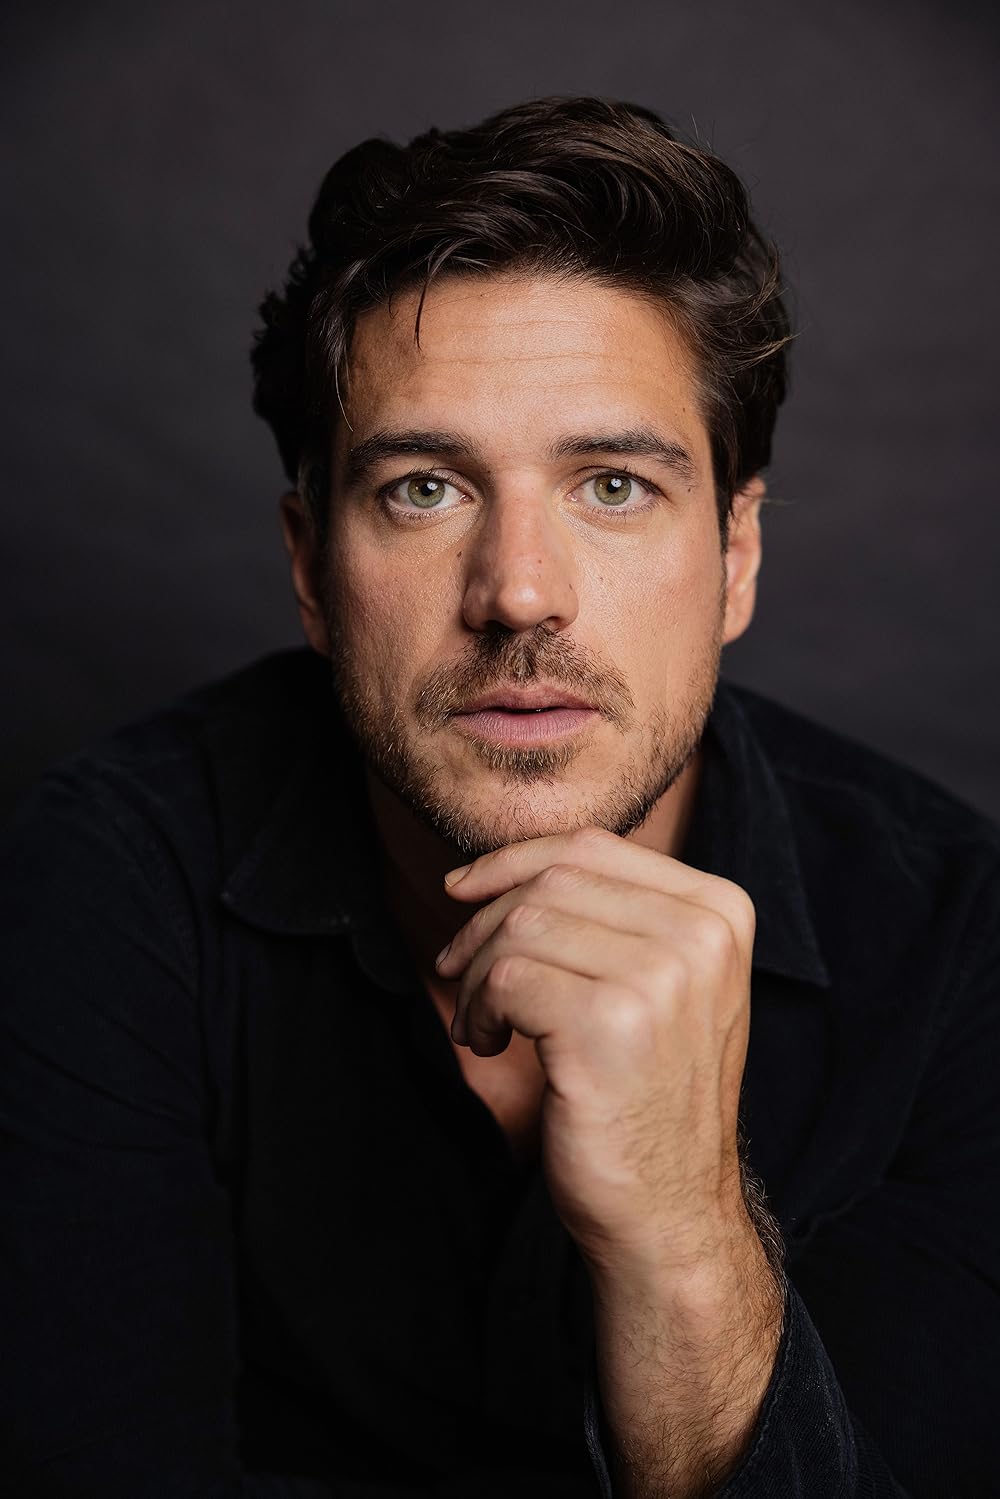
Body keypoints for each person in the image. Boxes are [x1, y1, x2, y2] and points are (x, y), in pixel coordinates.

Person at [1, 95, 997, 1499]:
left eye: (613, 484)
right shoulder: (106, 880)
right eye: (423, 489)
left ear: (736, 559)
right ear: (310, 567)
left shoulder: (959, 950)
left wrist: (686, 1234)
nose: (520, 591)